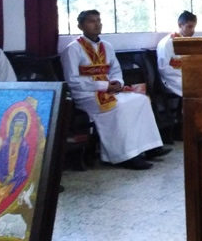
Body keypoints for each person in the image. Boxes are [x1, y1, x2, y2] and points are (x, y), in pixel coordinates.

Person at [60, 10, 172, 170]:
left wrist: (118, 82)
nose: (97, 24)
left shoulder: (107, 46)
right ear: (80, 26)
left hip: (110, 90)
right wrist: (104, 86)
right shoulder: (73, 49)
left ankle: (150, 147)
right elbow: (72, 80)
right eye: (91, 21)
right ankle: (125, 156)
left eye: (98, 20)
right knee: (121, 107)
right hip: (86, 94)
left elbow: (115, 70)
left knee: (141, 100)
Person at [0, 112, 30, 210]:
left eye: (20, 126)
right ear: (12, 126)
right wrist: (1, 176)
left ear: (23, 128)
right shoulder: (5, 144)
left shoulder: (24, 146)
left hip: (15, 177)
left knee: (2, 193)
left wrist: (11, 177)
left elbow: (22, 167)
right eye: (16, 126)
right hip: (2, 175)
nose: (18, 129)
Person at [156, 10, 197, 97]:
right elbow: (164, 68)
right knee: (197, 88)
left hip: (184, 76)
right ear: (180, 25)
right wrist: (186, 77)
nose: (193, 31)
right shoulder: (168, 43)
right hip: (172, 79)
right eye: (189, 27)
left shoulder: (186, 41)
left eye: (194, 27)